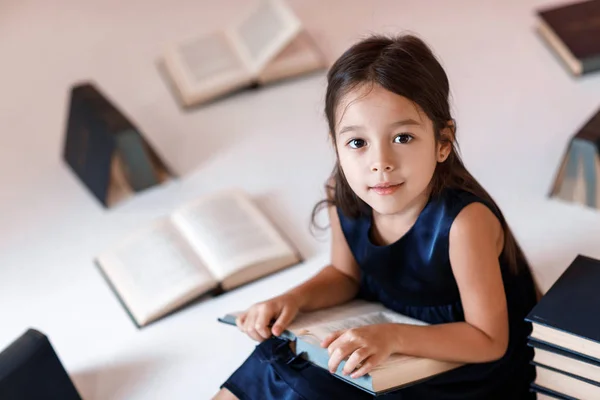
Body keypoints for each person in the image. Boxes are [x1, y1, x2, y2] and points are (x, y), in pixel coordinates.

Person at [213, 33, 539, 400]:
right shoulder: (343, 192)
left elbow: (489, 340)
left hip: (461, 359)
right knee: (274, 360)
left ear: (443, 142)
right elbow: (344, 275)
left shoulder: (464, 224)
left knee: (319, 387)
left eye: (402, 138)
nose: (379, 162)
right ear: (336, 145)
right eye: (358, 142)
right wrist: (293, 300)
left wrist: (394, 337)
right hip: (379, 327)